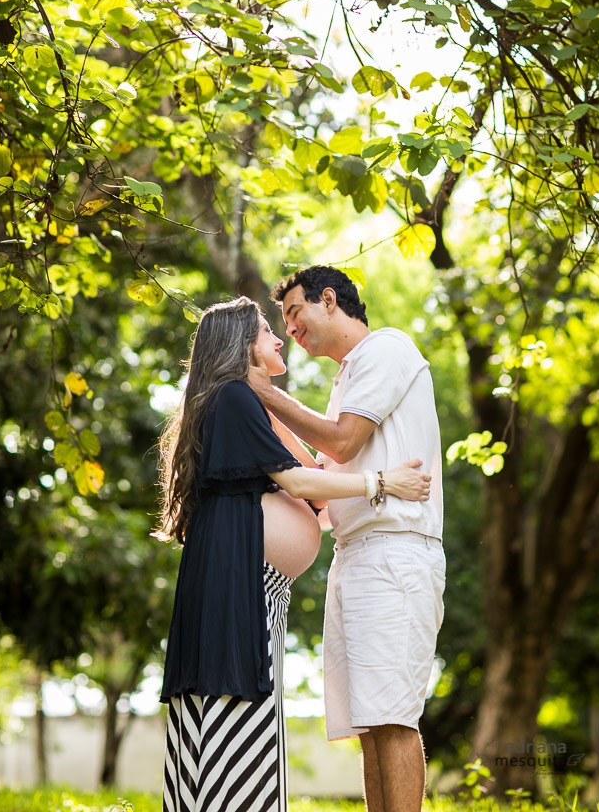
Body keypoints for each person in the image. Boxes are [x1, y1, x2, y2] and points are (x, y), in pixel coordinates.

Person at [155, 295, 432, 812]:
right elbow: (297, 480)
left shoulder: (238, 400)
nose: (279, 337)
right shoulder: (233, 399)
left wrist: (272, 402)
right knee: (233, 696)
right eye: (266, 330)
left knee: (234, 696)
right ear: (242, 344)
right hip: (241, 575)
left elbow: (315, 483)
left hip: (249, 577)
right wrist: (383, 482)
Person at [248, 267, 445, 812]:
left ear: (328, 300)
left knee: (393, 717)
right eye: (283, 323)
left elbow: (342, 440)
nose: (290, 331)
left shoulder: (387, 349)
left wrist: (265, 392)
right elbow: (324, 473)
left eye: (293, 314)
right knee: (369, 721)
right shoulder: (347, 378)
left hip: (396, 552)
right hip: (355, 556)